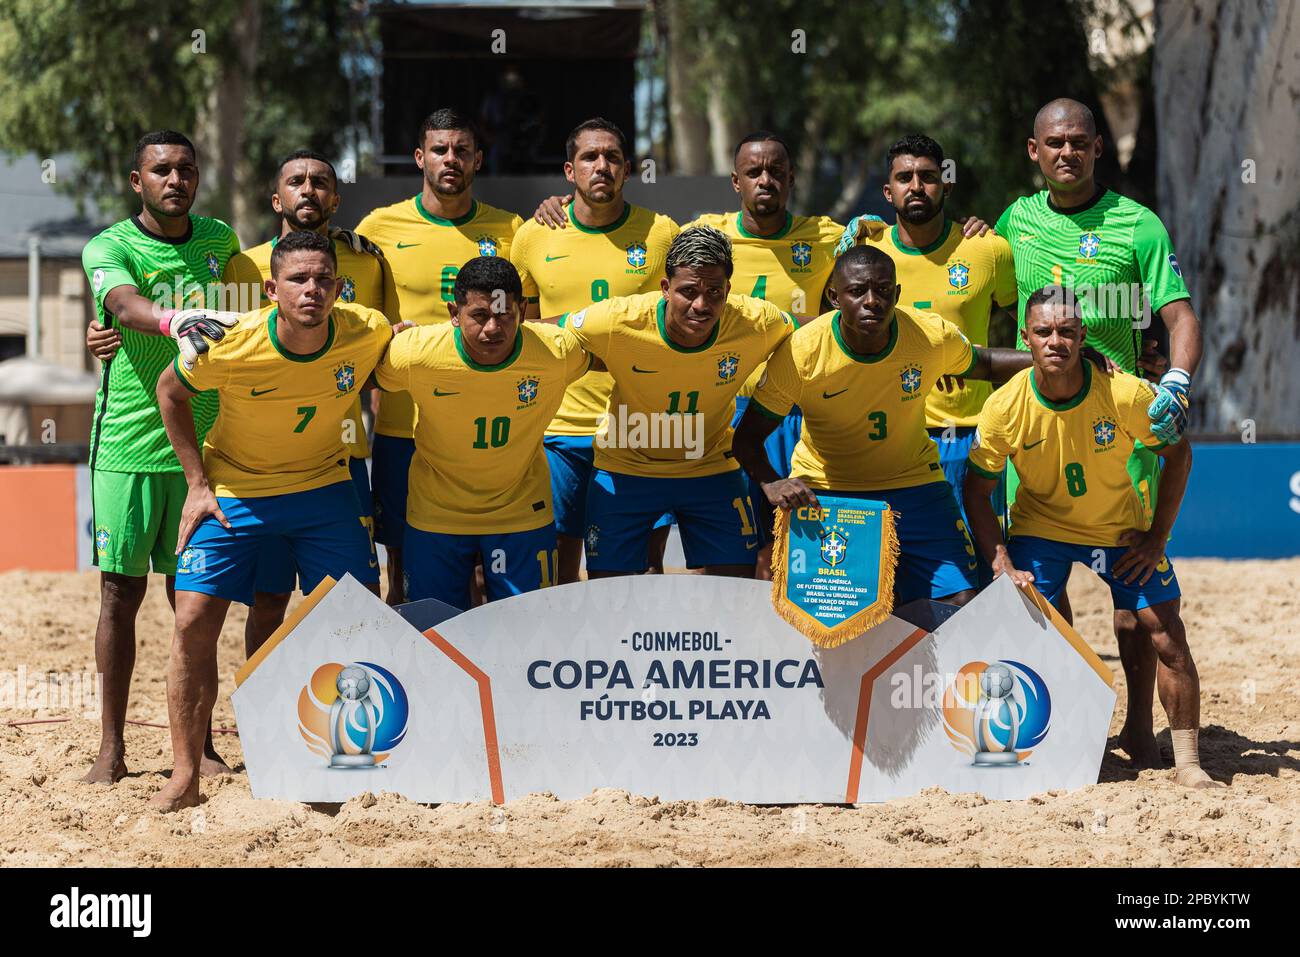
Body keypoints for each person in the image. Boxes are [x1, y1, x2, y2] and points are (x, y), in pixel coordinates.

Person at [152, 230, 399, 810]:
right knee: (191, 619)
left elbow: (404, 344)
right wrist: (196, 484)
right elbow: (170, 393)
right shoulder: (229, 346)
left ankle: (340, 760)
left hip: (323, 487)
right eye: (298, 279)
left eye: (323, 280)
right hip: (236, 488)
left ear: (339, 286)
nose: (312, 290)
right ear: (271, 289)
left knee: (355, 618)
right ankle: (185, 774)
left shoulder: (367, 330)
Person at [995, 97, 1203, 767]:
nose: (1067, 153)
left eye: (1079, 142)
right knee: (1044, 600)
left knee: (1132, 596)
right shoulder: (1012, 222)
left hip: (1120, 428)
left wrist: (1175, 380)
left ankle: (1139, 730)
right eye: (1054, 143)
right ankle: (1064, 732)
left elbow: (1180, 318)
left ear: (1097, 149)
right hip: (1042, 432)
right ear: (1035, 151)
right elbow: (966, 289)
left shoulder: (1137, 224)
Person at [963, 286, 1220, 789]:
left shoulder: (1124, 392)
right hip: (1042, 529)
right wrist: (999, 558)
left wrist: (1157, 537)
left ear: (1082, 335)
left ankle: (1187, 763)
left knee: (1164, 630)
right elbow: (977, 488)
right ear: (1026, 338)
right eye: (1043, 331)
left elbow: (1179, 455)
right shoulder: (1003, 407)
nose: (1054, 340)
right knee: (1041, 623)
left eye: (1065, 331)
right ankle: (1057, 743)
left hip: (1117, 529)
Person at [732, 245, 1032, 606]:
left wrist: (1054, 359)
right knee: (834, 616)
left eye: (883, 290)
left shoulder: (928, 337)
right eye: (857, 291)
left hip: (915, 484)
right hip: (828, 492)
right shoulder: (802, 352)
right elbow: (747, 438)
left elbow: (983, 362)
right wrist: (770, 480)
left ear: (897, 294)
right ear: (834, 297)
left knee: (959, 603)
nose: (872, 301)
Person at [79, 130, 240, 785]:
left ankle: (197, 746)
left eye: (186, 169)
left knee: (194, 601)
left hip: (203, 453)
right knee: (120, 595)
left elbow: (264, 283)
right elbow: (121, 305)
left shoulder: (221, 240)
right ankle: (111, 748)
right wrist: (171, 321)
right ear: (136, 180)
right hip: (127, 448)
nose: (176, 179)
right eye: (161, 169)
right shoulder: (109, 244)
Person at [214, 149, 389, 655]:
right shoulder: (244, 266)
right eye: (296, 181)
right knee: (268, 597)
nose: (307, 190)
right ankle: (267, 711)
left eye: (319, 182)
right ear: (277, 198)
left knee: (350, 597)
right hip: (259, 466)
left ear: (336, 197)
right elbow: (218, 351)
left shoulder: (369, 257)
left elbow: (386, 348)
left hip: (339, 457)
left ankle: (348, 707)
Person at [355, 108, 523, 603]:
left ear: (478, 160)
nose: (451, 159)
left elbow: (528, 318)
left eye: (462, 150)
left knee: (479, 573)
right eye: (440, 149)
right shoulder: (378, 228)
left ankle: (479, 679)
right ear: (419, 157)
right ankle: (408, 678)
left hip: (483, 424)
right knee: (403, 569)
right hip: (404, 426)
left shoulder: (513, 228)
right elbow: (358, 322)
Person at [561, 226, 794, 577]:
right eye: (688, 291)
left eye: (714, 292)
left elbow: (812, 337)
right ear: (665, 289)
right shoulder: (614, 321)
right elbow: (548, 338)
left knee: (735, 590)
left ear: (728, 290)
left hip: (711, 465)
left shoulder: (758, 322)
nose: (701, 305)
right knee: (608, 596)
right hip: (627, 465)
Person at [832, 134, 1017, 574]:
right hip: (888, 440)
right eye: (905, 177)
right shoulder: (866, 253)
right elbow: (835, 332)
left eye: (928, 177)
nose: (916, 186)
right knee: (885, 571)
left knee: (983, 566)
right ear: (887, 191)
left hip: (967, 434)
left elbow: (1031, 330)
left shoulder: (987, 250)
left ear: (946, 186)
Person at [510, 117, 679, 583]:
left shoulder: (661, 233)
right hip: (559, 425)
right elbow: (521, 330)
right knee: (560, 566)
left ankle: (639, 657)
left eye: (611, 157)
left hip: (641, 425)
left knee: (642, 568)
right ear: (570, 171)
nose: (600, 166)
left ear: (628, 169)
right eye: (589, 157)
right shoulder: (533, 235)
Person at [376, 257, 592, 608]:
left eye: (505, 315)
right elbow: (361, 371)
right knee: (433, 632)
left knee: (528, 630)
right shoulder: (415, 353)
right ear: (453, 312)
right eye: (479, 315)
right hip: (437, 514)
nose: (493, 328)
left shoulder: (557, 351)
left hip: (521, 513)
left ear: (523, 310)